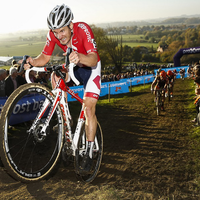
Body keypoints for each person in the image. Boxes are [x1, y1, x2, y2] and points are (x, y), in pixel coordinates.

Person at [23, 4, 101, 174]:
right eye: (55, 32)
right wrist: (33, 62)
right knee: (55, 76)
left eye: (62, 31)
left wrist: (80, 56)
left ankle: (88, 151)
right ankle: (65, 121)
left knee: (88, 109)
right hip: (73, 65)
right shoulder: (53, 34)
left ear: (71, 25)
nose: (59, 36)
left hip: (90, 66)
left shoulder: (82, 28)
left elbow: (94, 59)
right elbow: (44, 57)